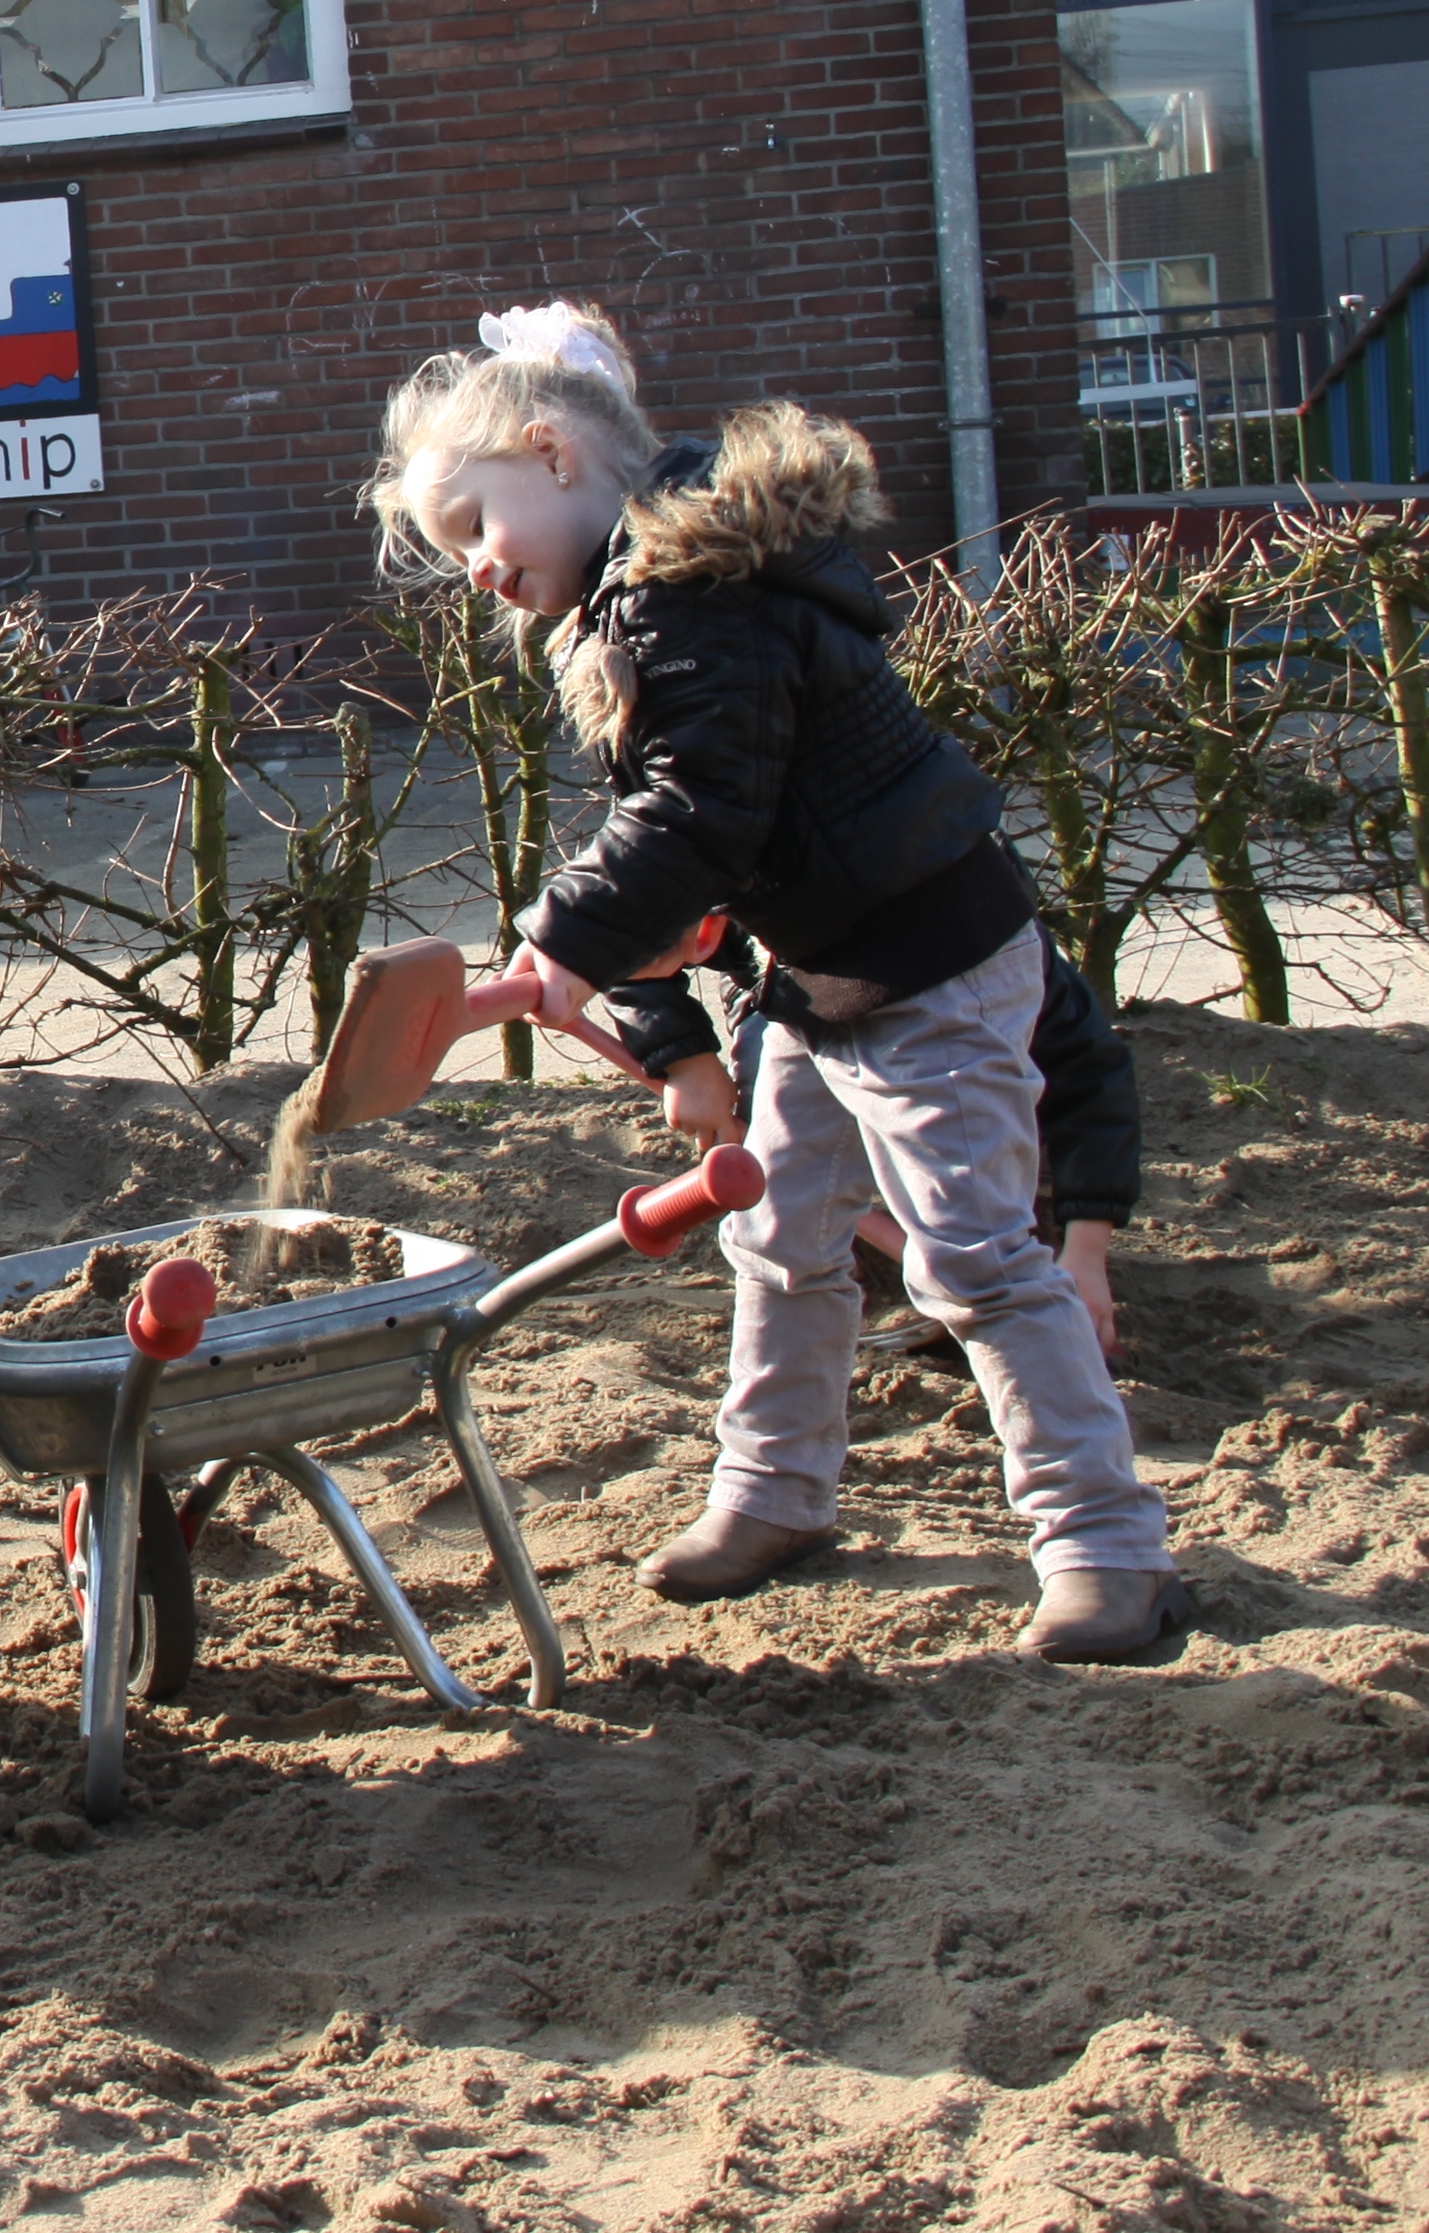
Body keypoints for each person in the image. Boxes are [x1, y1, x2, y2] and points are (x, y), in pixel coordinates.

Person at [365, 301, 1190, 1663]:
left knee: (973, 1257)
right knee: (781, 1238)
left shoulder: (697, 601)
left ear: (553, 456)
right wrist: (636, 949)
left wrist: (572, 938)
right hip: (817, 982)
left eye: (472, 530)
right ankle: (774, 1492)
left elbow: (698, 817)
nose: (472, 575)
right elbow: (710, 831)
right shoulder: (647, 600)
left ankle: (1104, 1543)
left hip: (928, 965)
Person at [613, 924, 1139, 1363]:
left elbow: (1092, 1076)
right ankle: (862, 1278)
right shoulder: (765, 877)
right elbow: (624, 924)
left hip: (950, 977)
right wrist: (685, 1060)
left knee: (993, 1169)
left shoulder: (1004, 953)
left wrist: (1086, 1252)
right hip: (787, 985)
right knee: (787, 1158)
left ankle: (1008, 1237)